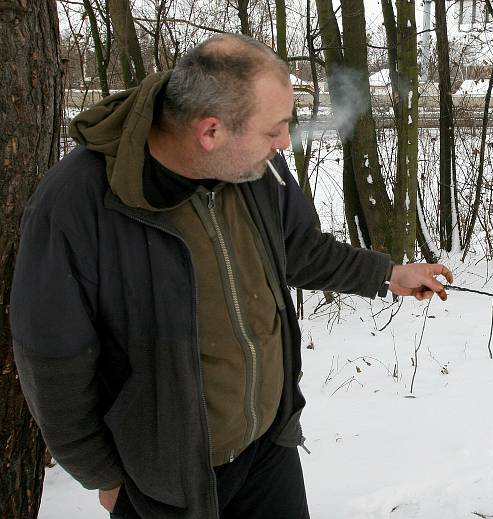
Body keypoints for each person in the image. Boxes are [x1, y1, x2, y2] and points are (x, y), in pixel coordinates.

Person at [11, 33, 452, 519]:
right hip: (167, 482)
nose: (284, 142)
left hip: (267, 450)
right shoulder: (76, 206)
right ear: (211, 132)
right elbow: (53, 362)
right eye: (274, 130)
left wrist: (387, 274)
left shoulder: (254, 168)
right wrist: (104, 475)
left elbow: (298, 248)